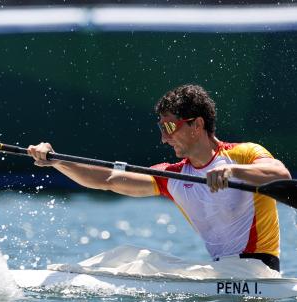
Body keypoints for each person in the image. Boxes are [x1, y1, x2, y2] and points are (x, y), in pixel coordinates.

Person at [27, 84, 291, 271]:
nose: (164, 138)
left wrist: (233, 172)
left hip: (259, 272)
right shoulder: (172, 176)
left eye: (169, 127)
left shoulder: (244, 155)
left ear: (196, 125)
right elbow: (107, 179)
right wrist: (57, 161)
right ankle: (62, 276)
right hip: (223, 272)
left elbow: (281, 174)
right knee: (127, 256)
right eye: (161, 128)